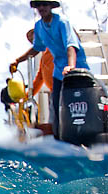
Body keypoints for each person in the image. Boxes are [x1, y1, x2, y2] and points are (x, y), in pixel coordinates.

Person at [10, 0, 89, 139]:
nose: (41, 7)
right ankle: (60, 140)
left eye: (45, 4)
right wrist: (18, 60)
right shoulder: (39, 27)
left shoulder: (63, 22)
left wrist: (71, 66)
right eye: (38, 5)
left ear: (51, 6)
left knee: (78, 108)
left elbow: (71, 46)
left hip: (76, 72)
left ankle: (83, 136)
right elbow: (36, 49)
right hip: (58, 75)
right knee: (57, 111)